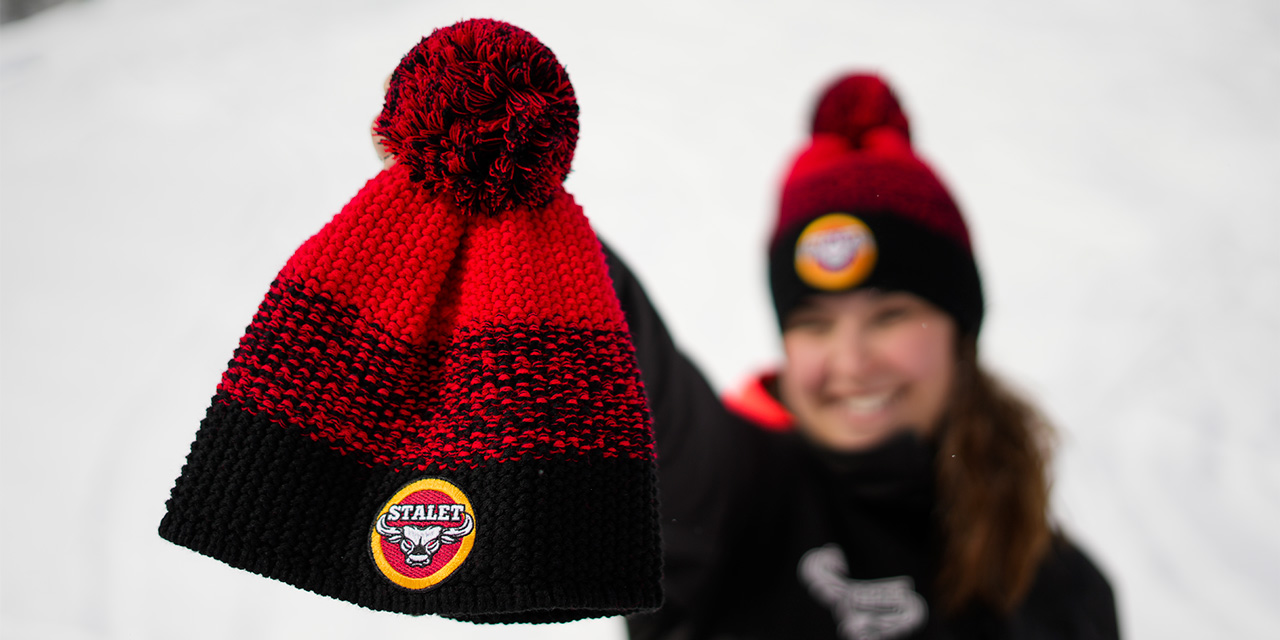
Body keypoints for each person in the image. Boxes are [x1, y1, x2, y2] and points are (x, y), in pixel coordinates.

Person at [613, 74, 1121, 639]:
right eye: (815, 324)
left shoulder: (1065, 589)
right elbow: (637, 383)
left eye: (890, 317)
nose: (851, 361)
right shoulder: (728, 500)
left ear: (961, 332)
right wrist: (540, 236)